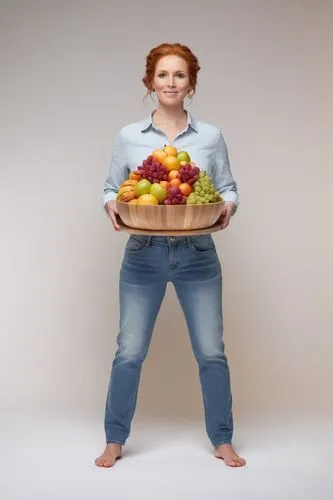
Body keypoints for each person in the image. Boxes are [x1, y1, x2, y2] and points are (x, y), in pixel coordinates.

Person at [95, 43, 246, 468]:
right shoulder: (128, 136)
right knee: (129, 350)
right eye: (163, 75)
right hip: (142, 252)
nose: (171, 83)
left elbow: (229, 188)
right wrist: (111, 205)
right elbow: (111, 188)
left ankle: (222, 439)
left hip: (198, 251)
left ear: (191, 83)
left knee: (211, 351)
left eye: (179, 75)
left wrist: (227, 208)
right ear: (150, 82)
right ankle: (114, 440)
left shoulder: (211, 137)